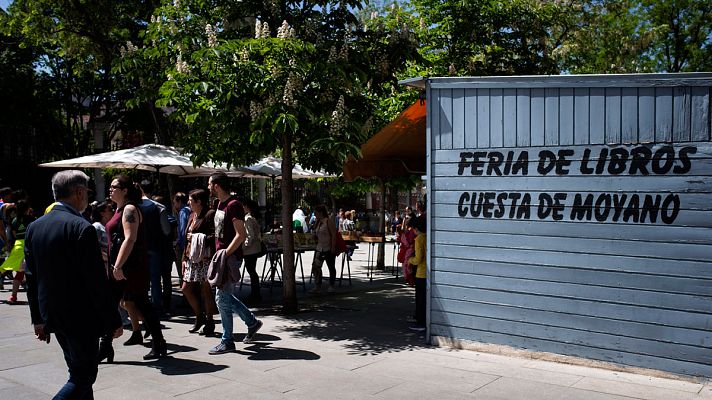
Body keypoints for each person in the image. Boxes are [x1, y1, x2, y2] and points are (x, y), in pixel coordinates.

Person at [24, 170, 123, 398]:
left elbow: (32, 277)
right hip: (80, 316)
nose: (87, 196)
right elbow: (95, 281)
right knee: (83, 376)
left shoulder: (35, 227)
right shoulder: (81, 227)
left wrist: (38, 318)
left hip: (53, 314)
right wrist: (112, 320)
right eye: (86, 191)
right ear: (79, 192)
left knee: (78, 371)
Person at [107, 175, 167, 359]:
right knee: (115, 303)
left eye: (114, 187)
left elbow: (130, 238)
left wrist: (118, 266)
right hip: (124, 266)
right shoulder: (119, 209)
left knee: (140, 304)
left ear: (124, 190)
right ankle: (106, 345)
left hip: (129, 267)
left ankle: (158, 343)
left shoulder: (129, 209)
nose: (110, 189)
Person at [207, 172, 262, 355]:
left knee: (221, 298)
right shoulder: (220, 204)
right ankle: (251, 322)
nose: (208, 187)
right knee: (223, 297)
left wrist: (224, 254)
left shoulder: (233, 205)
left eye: (209, 184)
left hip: (229, 258)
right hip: (224, 257)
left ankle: (227, 340)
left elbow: (241, 235)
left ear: (216, 185)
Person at [181, 188, 217, 335]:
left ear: (199, 202)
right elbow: (186, 239)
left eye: (191, 200)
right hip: (191, 257)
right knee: (185, 288)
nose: (189, 202)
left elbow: (215, 235)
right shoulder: (191, 216)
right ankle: (199, 315)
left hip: (205, 257)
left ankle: (209, 320)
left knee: (206, 290)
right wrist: (184, 258)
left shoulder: (209, 214)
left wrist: (198, 238)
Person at [5, 200, 35, 303]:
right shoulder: (32, 220)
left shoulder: (14, 221)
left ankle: (13, 296)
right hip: (29, 248)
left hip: (18, 248)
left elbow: (14, 235)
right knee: (34, 273)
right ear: (28, 209)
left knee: (19, 273)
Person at [310, 204, 337, 294]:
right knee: (316, 266)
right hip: (319, 248)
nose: (315, 214)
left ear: (320, 212)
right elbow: (315, 234)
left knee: (331, 267)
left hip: (328, 247)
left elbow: (334, 234)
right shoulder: (318, 222)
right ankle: (317, 285)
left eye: (316, 213)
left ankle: (331, 285)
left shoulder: (328, 221)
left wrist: (333, 247)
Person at [408, 216, 427, 332]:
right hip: (427, 273)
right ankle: (421, 320)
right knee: (424, 299)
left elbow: (418, 259)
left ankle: (420, 322)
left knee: (419, 299)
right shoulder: (426, 237)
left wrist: (410, 260)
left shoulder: (419, 239)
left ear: (415, 228)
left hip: (420, 273)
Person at [242, 198, 262, 303]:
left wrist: (244, 247)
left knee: (251, 271)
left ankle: (255, 294)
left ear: (246, 207)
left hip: (250, 250)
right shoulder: (253, 218)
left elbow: (250, 236)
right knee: (252, 271)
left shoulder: (248, 219)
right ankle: (256, 293)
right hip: (254, 249)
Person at [173, 192, 191, 285]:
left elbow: (183, 231)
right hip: (189, 245)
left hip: (183, 246)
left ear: (179, 201)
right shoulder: (190, 209)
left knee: (182, 272)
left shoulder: (183, 211)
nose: (174, 205)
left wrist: (181, 246)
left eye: (175, 202)